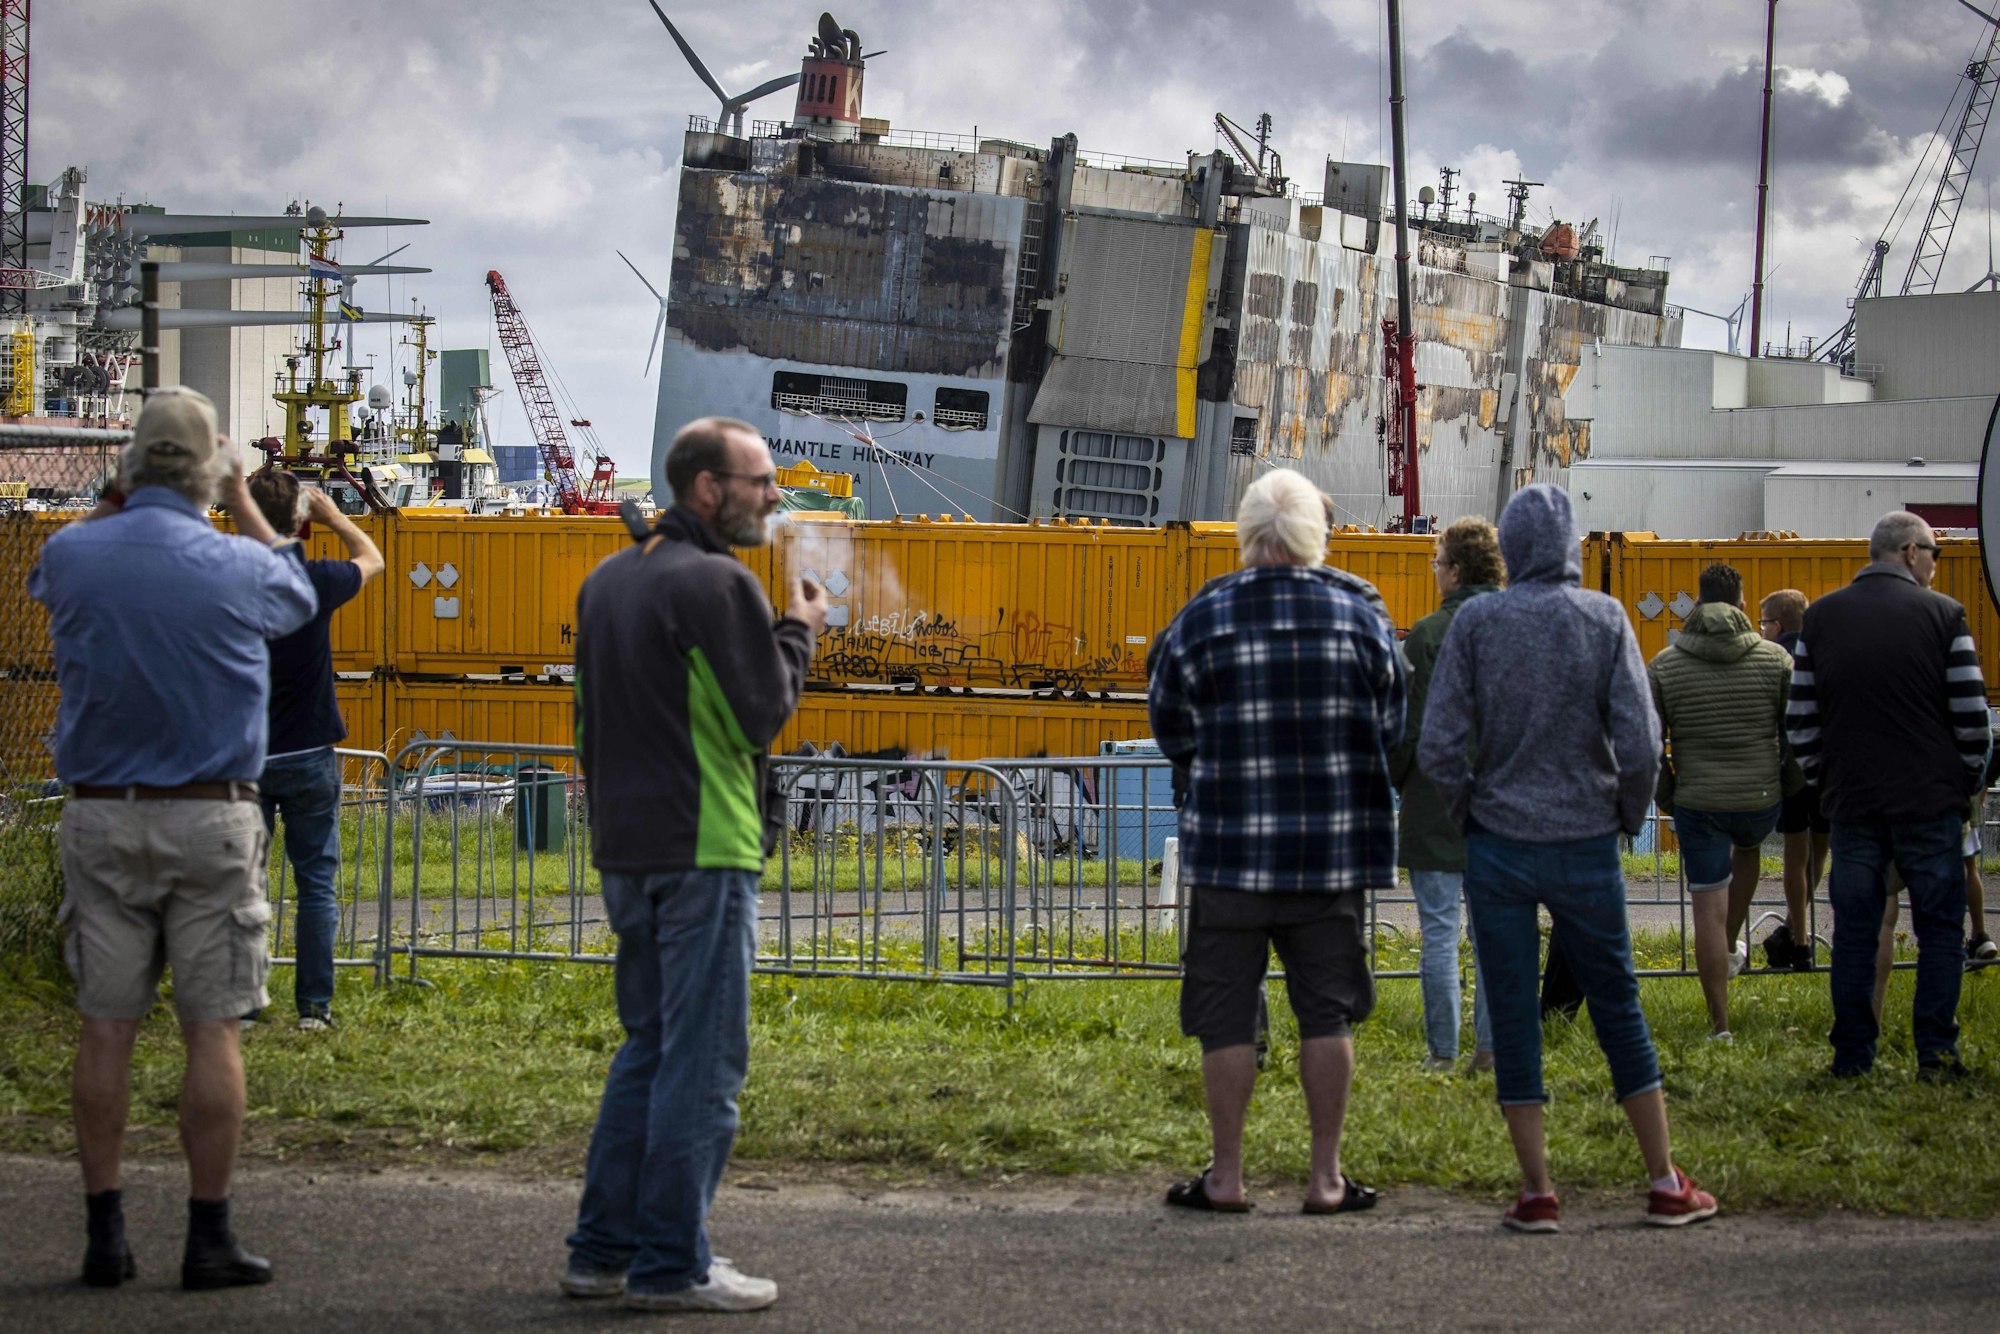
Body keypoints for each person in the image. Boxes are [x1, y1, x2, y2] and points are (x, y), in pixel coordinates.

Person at [29, 387, 317, 1289]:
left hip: (101, 810)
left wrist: (126, 493)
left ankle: (105, 1233)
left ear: (124, 466)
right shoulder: (239, 567)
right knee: (212, 1030)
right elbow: (299, 596)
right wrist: (237, 499)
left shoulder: (70, 555)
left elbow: (65, 562)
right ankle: (207, 1234)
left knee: (105, 1029)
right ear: (213, 470)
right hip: (211, 813)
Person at [563, 417, 824, 1312]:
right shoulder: (717, 582)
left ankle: (600, 1251)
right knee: (704, 1065)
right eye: (759, 481)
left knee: (648, 1048)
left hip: (627, 846)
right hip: (705, 845)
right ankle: (672, 1262)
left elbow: (590, 722)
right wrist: (798, 630)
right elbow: (761, 712)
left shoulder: (607, 581)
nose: (773, 496)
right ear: (707, 489)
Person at [1421, 484, 1715, 1233]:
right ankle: (1662, 1179)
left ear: (1510, 550)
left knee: (1514, 1013)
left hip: (1499, 845)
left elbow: (1440, 744)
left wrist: (1470, 814)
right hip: (1584, 842)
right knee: (1617, 1002)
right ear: (1573, 547)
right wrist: (1624, 812)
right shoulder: (1604, 618)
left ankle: (1537, 1190)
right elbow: (1643, 743)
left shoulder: (1480, 623)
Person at [1148, 467, 1402, 1216]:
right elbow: (1392, 729)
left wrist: (1213, 763)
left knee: (1225, 1014)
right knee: (1326, 1013)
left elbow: (1170, 726)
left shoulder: (1204, 614)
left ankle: (1226, 1177)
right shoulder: (1360, 616)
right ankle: (1325, 1178)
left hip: (1229, 852)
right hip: (1330, 854)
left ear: (1245, 531)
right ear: (1316, 536)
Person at [1788, 511, 1990, 1081]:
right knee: (1941, 931)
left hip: (1853, 804)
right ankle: (1937, 1054)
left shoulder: (1822, 618)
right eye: (1934, 553)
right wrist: (1963, 784)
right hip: (1929, 802)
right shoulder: (1944, 616)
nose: (1935, 563)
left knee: (1853, 930)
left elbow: (1800, 720)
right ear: (1908, 552)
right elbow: (1973, 721)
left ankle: (1852, 1056)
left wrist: (1826, 780)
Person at [245, 473, 385, 1031]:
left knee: (241, 885)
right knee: (316, 885)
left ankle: (245, 1004)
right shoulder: (318, 580)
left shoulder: (231, 583)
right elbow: (372, 559)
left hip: (245, 754)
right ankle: (314, 1009)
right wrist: (335, 518)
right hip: (308, 750)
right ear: (302, 521)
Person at [1648, 562, 1792, 1041]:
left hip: (1698, 801)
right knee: (1748, 849)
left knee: (1706, 908)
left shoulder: (1666, 665)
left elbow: (1650, 743)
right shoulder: (1776, 661)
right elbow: (1796, 734)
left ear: (1697, 602)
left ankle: (1720, 1026)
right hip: (1759, 798)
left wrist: (1670, 793)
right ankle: (1731, 944)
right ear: (1743, 604)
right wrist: (1783, 782)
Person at [1390, 516, 1500, 1072]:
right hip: (1504, 806)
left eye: (1437, 562)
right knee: (1494, 937)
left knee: (1438, 932)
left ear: (1455, 569)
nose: (1434, 571)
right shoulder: (1516, 629)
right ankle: (1490, 1052)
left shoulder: (1428, 634)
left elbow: (1405, 727)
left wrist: (1400, 776)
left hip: (1435, 797)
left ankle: (1441, 1054)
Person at [1757, 589, 1822, 970]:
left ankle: (1798, 942)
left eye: (1763, 622)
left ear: (1776, 625)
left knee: (1795, 857)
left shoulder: (1773, 657)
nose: (1761, 629)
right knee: (1820, 852)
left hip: (1791, 767)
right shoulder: (1823, 652)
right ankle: (1795, 931)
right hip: (1827, 766)